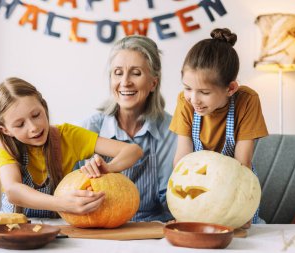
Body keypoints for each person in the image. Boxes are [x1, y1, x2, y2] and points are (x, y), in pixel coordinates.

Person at [0, 77, 143, 218]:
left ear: (44, 107)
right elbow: (13, 191)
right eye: (20, 124)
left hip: (58, 229)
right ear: (6, 130)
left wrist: (109, 167)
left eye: (36, 115)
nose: (33, 127)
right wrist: (62, 203)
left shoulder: (68, 135)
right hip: (14, 229)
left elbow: (133, 150)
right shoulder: (5, 144)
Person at [169, 28, 268, 225]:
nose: (194, 99)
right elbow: (182, 159)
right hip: (197, 183)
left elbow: (243, 163)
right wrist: (180, 205)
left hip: (233, 187)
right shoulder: (185, 101)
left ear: (230, 88)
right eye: (188, 88)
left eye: (204, 92)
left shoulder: (247, 101)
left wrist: (240, 210)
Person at [77, 35, 178, 222]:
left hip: (153, 231)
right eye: (117, 72)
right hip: (100, 227)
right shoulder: (90, 128)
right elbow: (72, 191)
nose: (125, 82)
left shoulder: (171, 131)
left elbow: (172, 199)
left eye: (136, 73)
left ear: (153, 83)